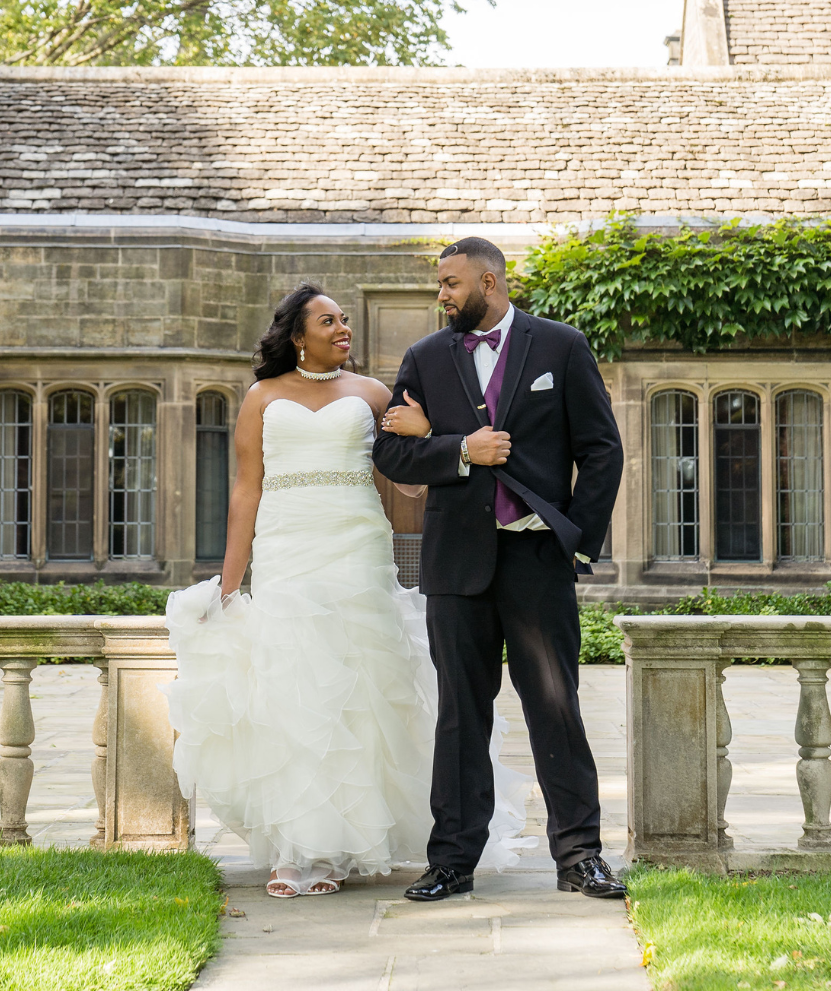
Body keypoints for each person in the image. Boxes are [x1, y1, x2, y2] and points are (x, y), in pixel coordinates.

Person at [164, 283, 532, 899]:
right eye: (328, 321)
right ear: (296, 333)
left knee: (359, 691)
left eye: (345, 322)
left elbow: (413, 473)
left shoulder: (373, 394)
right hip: (287, 552)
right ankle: (297, 849)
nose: (344, 331)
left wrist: (428, 437)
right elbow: (245, 491)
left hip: (357, 550)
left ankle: (342, 846)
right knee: (294, 692)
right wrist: (232, 584)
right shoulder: (261, 397)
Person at [373, 236, 627, 902]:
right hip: (456, 565)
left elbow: (602, 450)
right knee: (460, 714)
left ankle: (580, 858)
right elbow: (392, 455)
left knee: (556, 709)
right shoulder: (425, 359)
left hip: (537, 559)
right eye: (441, 284)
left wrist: (576, 538)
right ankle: (453, 861)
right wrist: (461, 450)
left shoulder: (560, 347)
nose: (442, 295)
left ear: (491, 282)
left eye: (452, 283)